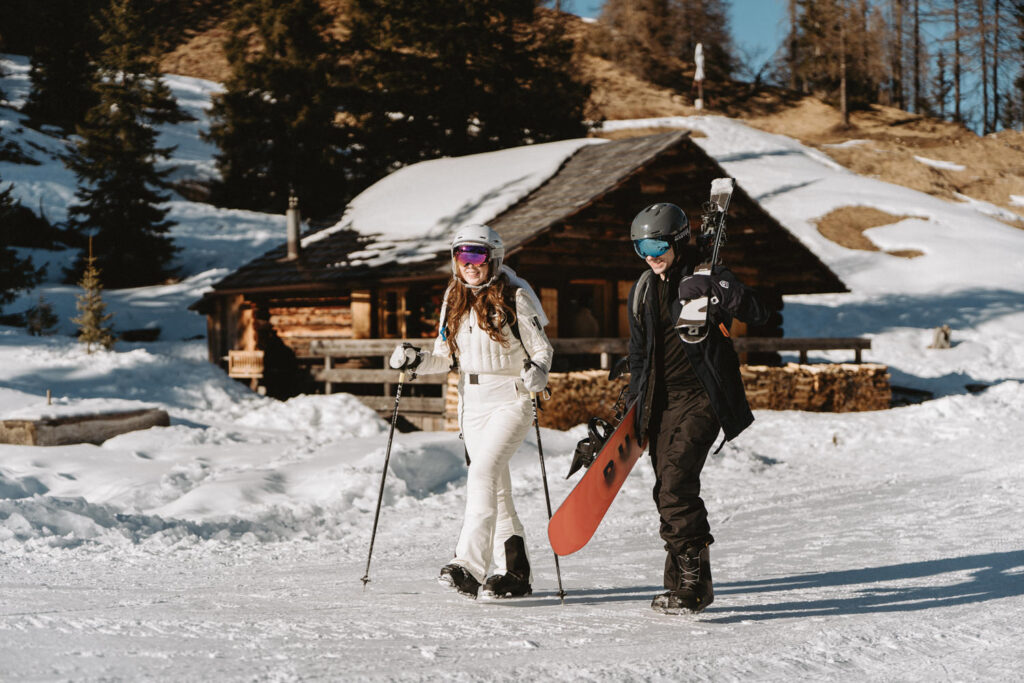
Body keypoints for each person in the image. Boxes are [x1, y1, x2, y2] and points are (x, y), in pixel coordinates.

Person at [389, 224, 553, 600]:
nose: (470, 265)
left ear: (493, 258)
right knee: (495, 489)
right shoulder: (454, 297)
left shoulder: (516, 293)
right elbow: (444, 358)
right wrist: (414, 360)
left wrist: (538, 373)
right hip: (472, 403)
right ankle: (515, 573)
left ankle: (468, 564)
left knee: (481, 474)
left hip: (511, 398)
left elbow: (542, 350)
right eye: (462, 257)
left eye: (477, 256)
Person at [626, 202, 770, 614]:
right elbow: (638, 355)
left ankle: (695, 584)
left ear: (676, 240)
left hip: (703, 397)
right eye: (640, 247)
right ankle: (679, 582)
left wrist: (721, 291)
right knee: (666, 490)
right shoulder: (642, 289)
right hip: (662, 401)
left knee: (676, 484)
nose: (650, 255)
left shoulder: (706, 276)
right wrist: (631, 406)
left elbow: (760, 312)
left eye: (656, 244)